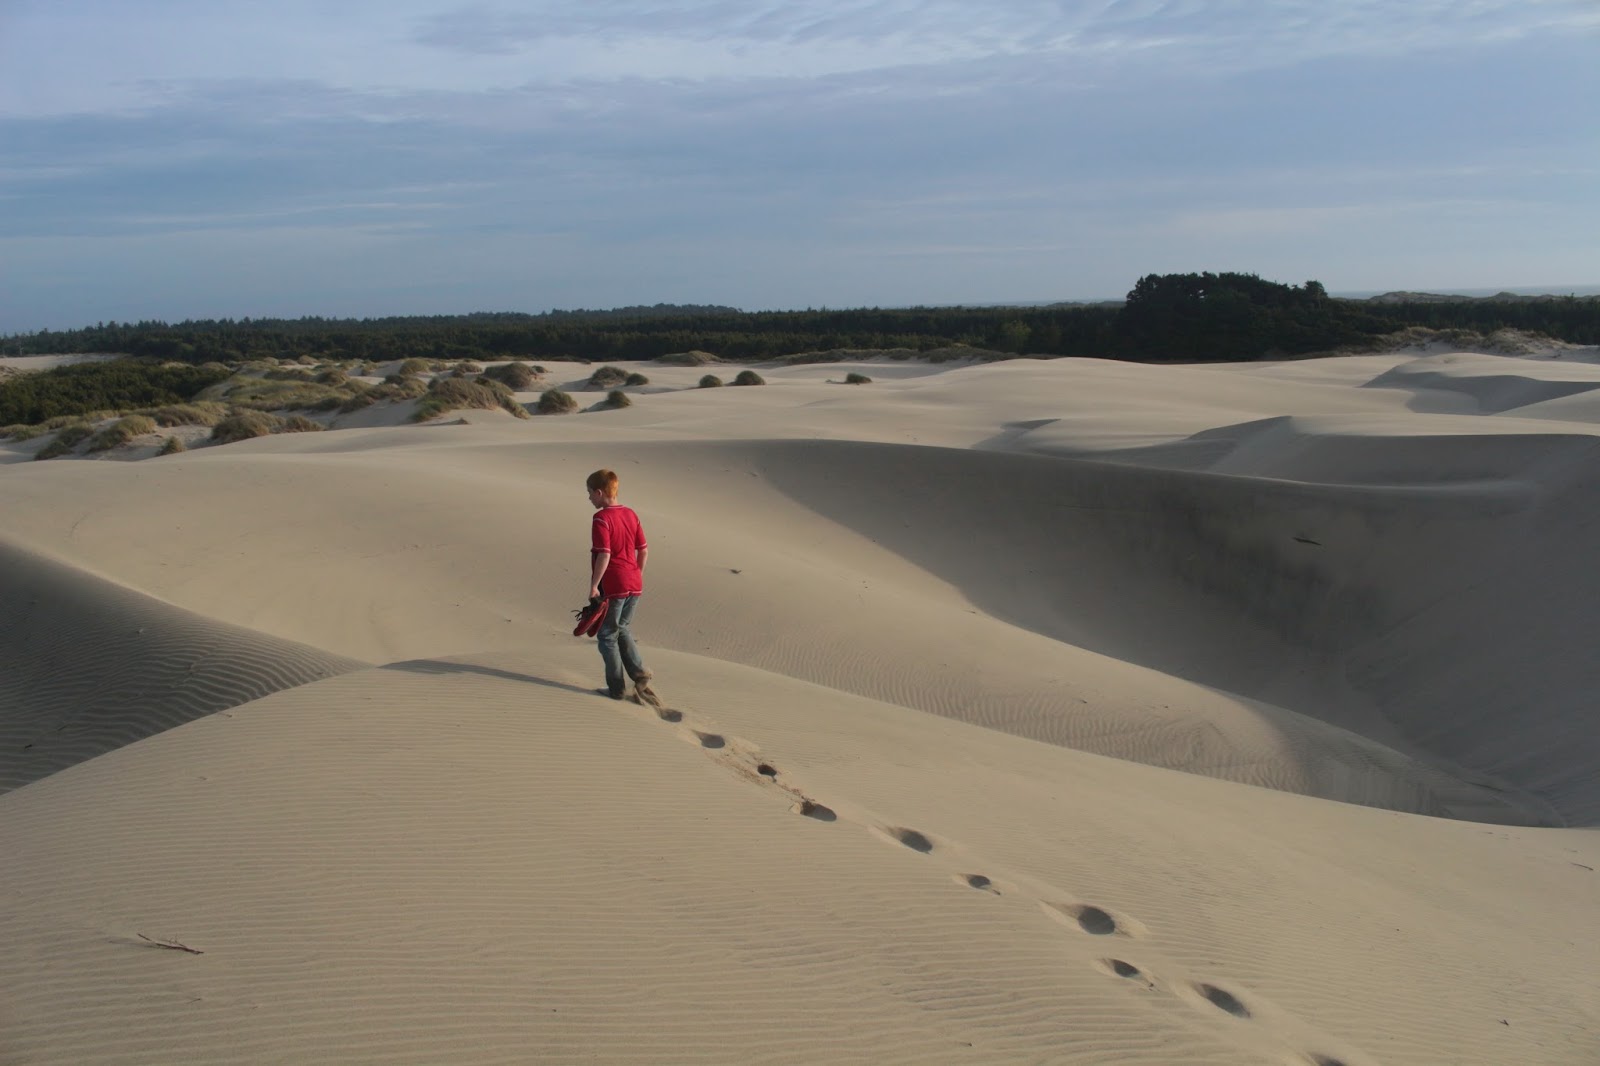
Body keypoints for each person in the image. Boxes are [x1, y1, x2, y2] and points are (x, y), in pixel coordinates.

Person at [586, 468, 653, 700]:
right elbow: (643, 550)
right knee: (622, 627)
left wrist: (595, 586)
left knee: (607, 636)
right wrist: (637, 574)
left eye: (590, 494)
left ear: (599, 492)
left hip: (615, 584)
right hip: (634, 582)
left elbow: (604, 554)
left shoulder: (601, 518)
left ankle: (616, 689)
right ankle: (639, 672)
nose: (589, 499)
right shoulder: (631, 514)